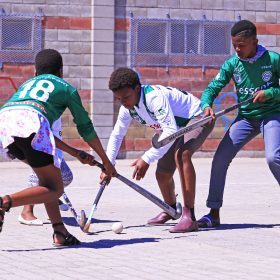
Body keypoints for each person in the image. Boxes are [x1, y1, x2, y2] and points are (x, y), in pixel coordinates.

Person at [0, 49, 116, 246]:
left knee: (47, 182)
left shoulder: (26, 84)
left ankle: (59, 232)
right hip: (31, 126)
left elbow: (43, 133)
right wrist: (106, 161)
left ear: (36, 72)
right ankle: (4, 202)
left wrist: (76, 153)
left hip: (6, 124)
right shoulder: (66, 88)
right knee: (55, 188)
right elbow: (86, 129)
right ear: (61, 72)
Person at [103, 67, 214, 233]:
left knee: (182, 154)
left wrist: (146, 158)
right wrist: (108, 163)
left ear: (137, 89)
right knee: (162, 173)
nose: (123, 102)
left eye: (126, 97)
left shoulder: (154, 98)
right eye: (118, 99)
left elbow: (169, 131)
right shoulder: (126, 108)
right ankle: (170, 209)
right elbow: (117, 135)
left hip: (197, 117)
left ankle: (189, 217)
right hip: (174, 129)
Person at [197, 20, 280, 228]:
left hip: (272, 115)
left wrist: (270, 93)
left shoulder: (273, 59)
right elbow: (212, 87)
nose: (238, 49)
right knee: (220, 159)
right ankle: (213, 213)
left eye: (242, 45)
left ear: (255, 41)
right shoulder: (232, 64)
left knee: (273, 157)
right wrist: (206, 104)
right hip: (246, 118)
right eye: (235, 45)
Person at [18, 118, 72, 226]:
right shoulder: (46, 104)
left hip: (52, 146)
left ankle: (49, 195)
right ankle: (26, 210)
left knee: (66, 177)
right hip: (40, 144)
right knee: (41, 173)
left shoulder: (58, 107)